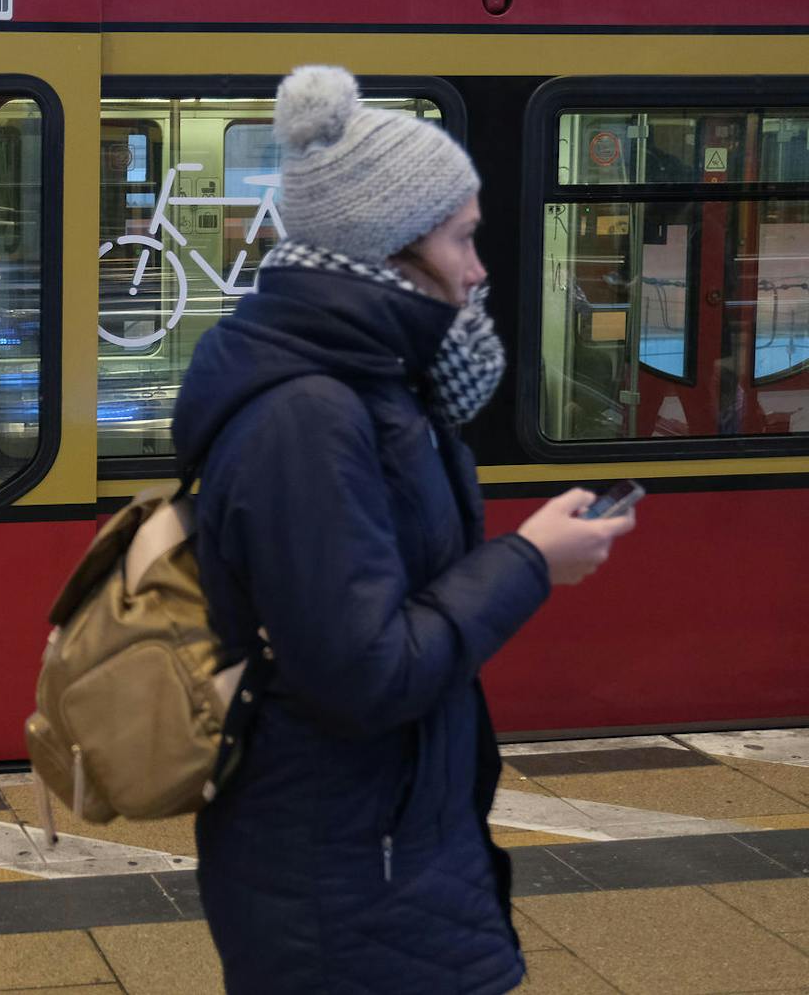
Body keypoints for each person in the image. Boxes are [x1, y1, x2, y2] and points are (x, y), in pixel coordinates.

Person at [170, 66, 635, 994]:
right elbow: (363, 672)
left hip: (383, 847)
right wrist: (530, 561)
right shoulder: (311, 415)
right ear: (392, 246)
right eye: (462, 237)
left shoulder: (378, 385)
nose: (480, 268)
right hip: (340, 877)